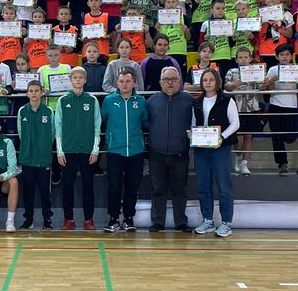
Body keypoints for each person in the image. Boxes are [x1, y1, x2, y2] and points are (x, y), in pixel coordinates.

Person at [192, 68, 239, 238]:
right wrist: (191, 133)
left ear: (217, 82)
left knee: (224, 186)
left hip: (221, 149)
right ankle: (208, 220)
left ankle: (226, 223)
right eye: (205, 80)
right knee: (203, 186)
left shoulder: (227, 100)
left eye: (211, 79)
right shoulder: (196, 102)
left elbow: (235, 123)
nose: (208, 83)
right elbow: (193, 122)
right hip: (201, 150)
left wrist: (222, 137)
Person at [146, 67, 194, 232]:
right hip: (156, 153)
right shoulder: (151, 101)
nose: (170, 82)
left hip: (180, 153)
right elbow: (145, 123)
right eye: (166, 79)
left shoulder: (188, 100)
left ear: (179, 81)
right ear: (161, 82)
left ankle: (181, 222)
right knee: (157, 189)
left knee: (179, 189)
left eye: (173, 79)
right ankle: (157, 222)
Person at [101, 70, 149, 233]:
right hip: (115, 150)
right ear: (117, 83)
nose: (125, 84)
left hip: (136, 150)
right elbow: (102, 120)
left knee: (132, 186)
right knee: (114, 185)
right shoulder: (109, 100)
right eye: (121, 81)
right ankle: (113, 218)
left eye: (128, 81)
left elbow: (146, 122)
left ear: (134, 83)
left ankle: (129, 218)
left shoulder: (140, 101)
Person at [54, 67, 101, 230]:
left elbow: (97, 125)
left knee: (88, 185)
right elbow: (58, 127)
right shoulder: (63, 100)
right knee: (67, 186)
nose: (78, 80)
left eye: (81, 77)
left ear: (85, 80)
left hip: (87, 150)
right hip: (67, 150)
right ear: (70, 80)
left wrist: (95, 149)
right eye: (75, 77)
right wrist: (60, 151)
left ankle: (89, 219)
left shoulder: (92, 100)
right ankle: (68, 219)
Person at [261, 43, 298, 175]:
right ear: (277, 57)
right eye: (282, 55)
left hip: (291, 106)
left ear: (292, 56)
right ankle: (282, 163)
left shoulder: (297, 69)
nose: (285, 57)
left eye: (287, 54)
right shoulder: (273, 70)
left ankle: (284, 156)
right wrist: (271, 82)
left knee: (290, 137)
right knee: (276, 136)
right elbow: (267, 90)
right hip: (275, 105)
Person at [17, 80, 55, 230]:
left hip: (44, 158)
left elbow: (52, 133)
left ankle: (47, 219)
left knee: (45, 192)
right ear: (27, 93)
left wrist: (43, 147)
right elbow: (21, 133)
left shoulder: (48, 111)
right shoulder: (22, 111)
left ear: (41, 92)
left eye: (36, 90)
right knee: (28, 192)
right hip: (27, 158)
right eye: (31, 91)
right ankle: (28, 220)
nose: (34, 93)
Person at [224, 47, 262, 175]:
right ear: (236, 59)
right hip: (236, 109)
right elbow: (225, 86)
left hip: (252, 108)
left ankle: (245, 164)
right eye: (240, 57)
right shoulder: (232, 71)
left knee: (248, 137)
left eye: (246, 57)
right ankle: (238, 158)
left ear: (250, 58)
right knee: (239, 138)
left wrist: (263, 83)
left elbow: (262, 87)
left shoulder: (256, 70)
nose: (243, 59)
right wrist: (233, 85)